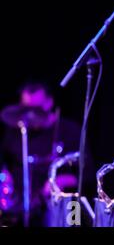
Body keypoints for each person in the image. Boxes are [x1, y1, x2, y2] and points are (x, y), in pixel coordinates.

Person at [0, 82, 90, 226]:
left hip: (62, 206)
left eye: (37, 109)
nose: (30, 114)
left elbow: (86, 174)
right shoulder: (18, 132)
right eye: (26, 108)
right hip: (22, 207)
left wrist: (60, 181)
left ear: (49, 103)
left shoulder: (70, 131)